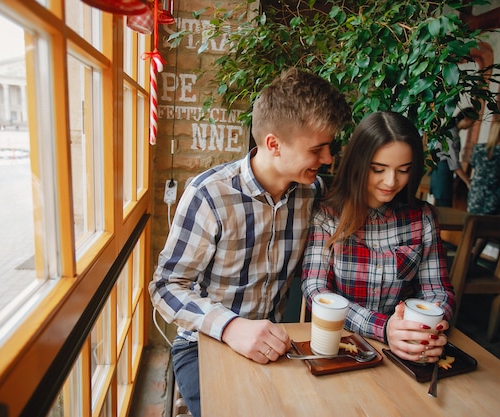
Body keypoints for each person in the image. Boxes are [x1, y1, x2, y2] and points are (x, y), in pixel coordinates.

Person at [149, 68, 351, 416]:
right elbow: (165, 286)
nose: (329, 159)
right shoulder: (209, 194)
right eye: (317, 149)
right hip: (203, 344)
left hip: (278, 345)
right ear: (273, 144)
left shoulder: (313, 193)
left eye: (329, 147)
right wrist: (230, 327)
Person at [301, 111, 456, 364]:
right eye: (378, 169)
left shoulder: (422, 218)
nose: (391, 181)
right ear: (358, 164)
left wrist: (428, 329)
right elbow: (315, 290)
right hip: (342, 345)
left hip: (406, 351)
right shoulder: (328, 215)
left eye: (403, 170)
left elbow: (438, 290)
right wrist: (384, 328)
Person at [430, 107, 478, 207]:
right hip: (443, 173)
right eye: (472, 122)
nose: (472, 125)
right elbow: (454, 163)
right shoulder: (452, 134)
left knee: (440, 209)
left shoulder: (449, 131)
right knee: (444, 210)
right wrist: (468, 182)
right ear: (466, 119)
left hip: (439, 172)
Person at [466, 120, 500, 214]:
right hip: (497, 196)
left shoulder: (478, 148)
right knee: (493, 226)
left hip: (476, 194)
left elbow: (474, 164)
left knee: (473, 223)